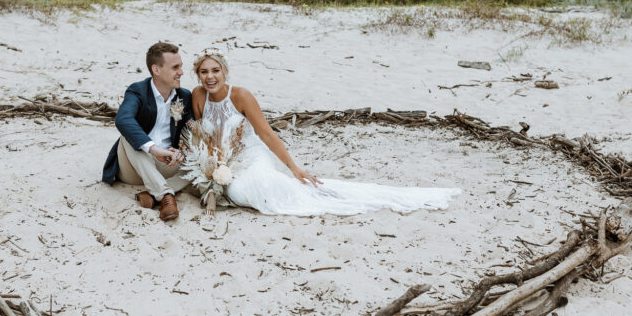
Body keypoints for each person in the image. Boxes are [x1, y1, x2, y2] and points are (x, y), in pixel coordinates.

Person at [190, 50, 460, 216]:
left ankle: (312, 190)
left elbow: (267, 135)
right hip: (223, 160)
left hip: (250, 156)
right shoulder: (197, 96)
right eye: (204, 72)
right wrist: (213, 163)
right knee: (237, 192)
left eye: (215, 71)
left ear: (225, 72)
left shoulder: (241, 95)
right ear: (198, 75)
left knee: (262, 189)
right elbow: (203, 136)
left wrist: (294, 168)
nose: (210, 77)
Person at [102, 42, 194, 221]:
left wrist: (181, 150)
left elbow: (189, 131)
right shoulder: (138, 91)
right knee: (129, 136)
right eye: (175, 67)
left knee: (201, 160)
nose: (181, 72)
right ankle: (166, 195)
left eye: (181, 66)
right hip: (134, 166)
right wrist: (153, 148)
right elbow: (123, 119)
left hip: (166, 165)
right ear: (156, 70)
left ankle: (152, 194)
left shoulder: (184, 96)